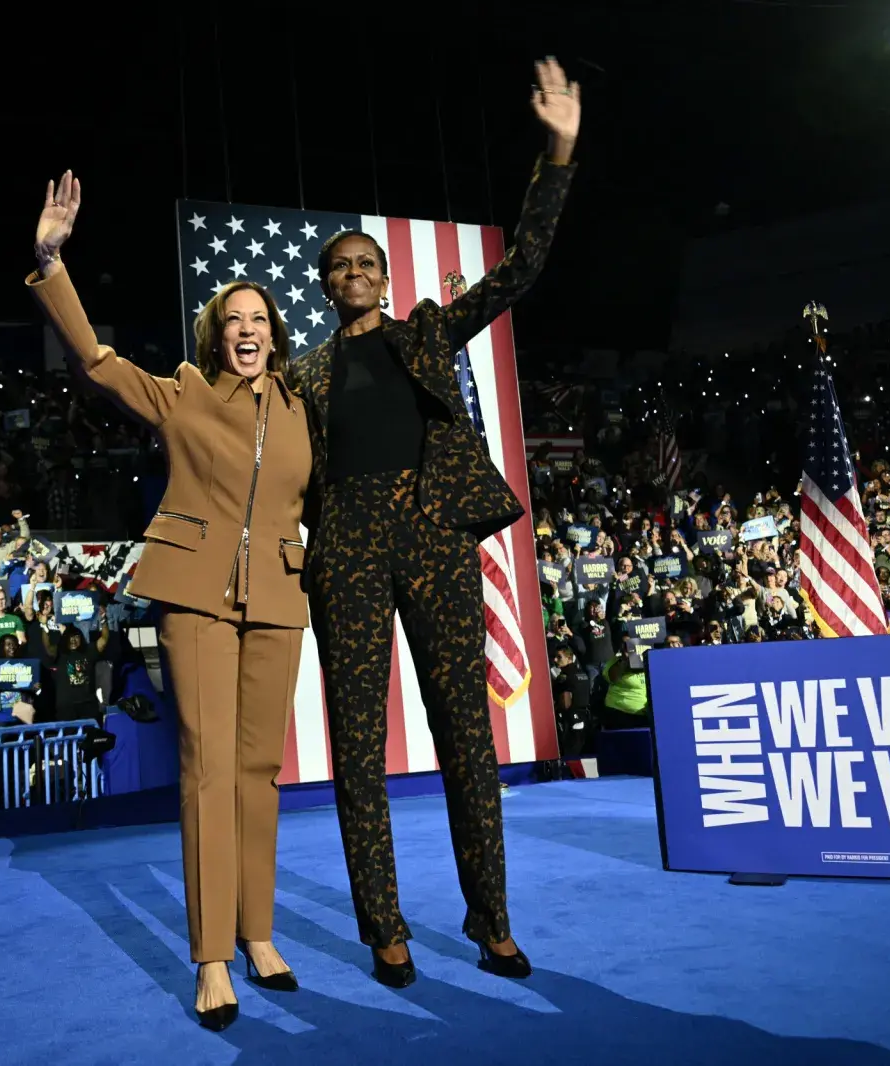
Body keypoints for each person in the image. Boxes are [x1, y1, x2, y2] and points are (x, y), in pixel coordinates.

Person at [283, 57, 580, 985]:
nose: (357, 273)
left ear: (383, 277)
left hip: (433, 532)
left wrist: (558, 155)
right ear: (325, 285)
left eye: (367, 263)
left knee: (466, 737)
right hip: (346, 548)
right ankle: (384, 928)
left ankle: (493, 922)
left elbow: (522, 269)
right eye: (341, 266)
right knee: (357, 748)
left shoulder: (425, 332)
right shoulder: (302, 373)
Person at [28, 173, 311, 1031]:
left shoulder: (304, 410)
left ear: (277, 334)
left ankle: (258, 934)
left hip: (279, 595)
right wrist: (52, 262)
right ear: (216, 335)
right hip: (194, 593)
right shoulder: (184, 390)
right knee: (208, 767)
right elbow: (97, 363)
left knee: (259, 773)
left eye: (259, 320)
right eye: (233, 321)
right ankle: (213, 956)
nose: (247, 331)